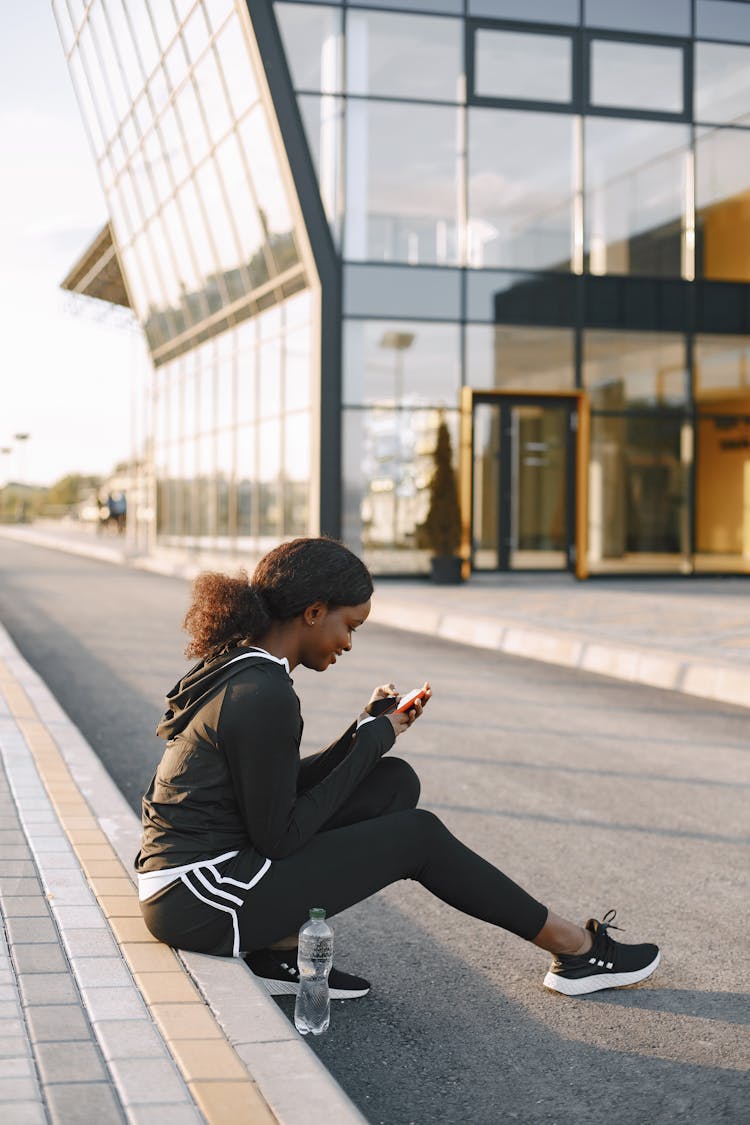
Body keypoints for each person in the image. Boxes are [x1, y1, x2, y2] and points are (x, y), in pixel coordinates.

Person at [135, 537, 660, 999]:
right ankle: (577, 951)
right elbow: (280, 835)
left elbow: (270, 788)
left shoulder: (245, 667)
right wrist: (372, 740)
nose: (347, 643)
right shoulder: (265, 693)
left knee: (391, 783)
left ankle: (278, 954)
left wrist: (364, 732)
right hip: (201, 902)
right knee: (418, 836)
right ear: (314, 611)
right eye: (350, 626)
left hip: (202, 881)